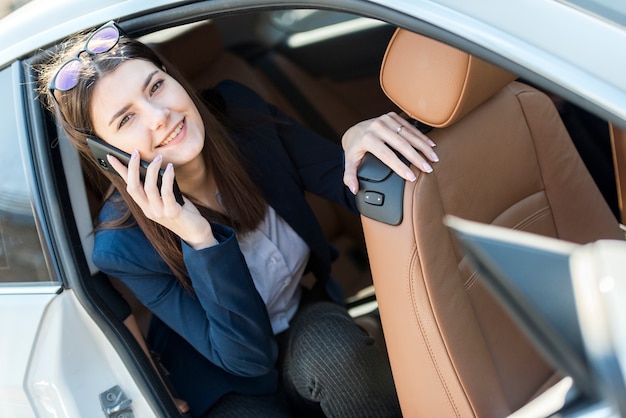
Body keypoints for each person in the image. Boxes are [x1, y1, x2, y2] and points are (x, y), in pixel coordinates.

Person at [38, 21, 438, 417]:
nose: (159, 116)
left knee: (337, 357)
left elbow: (351, 188)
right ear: (108, 154)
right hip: (225, 380)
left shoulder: (241, 115)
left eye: (156, 86)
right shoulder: (123, 247)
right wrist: (198, 237)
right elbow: (247, 359)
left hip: (304, 317)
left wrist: (356, 145)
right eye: (126, 119)